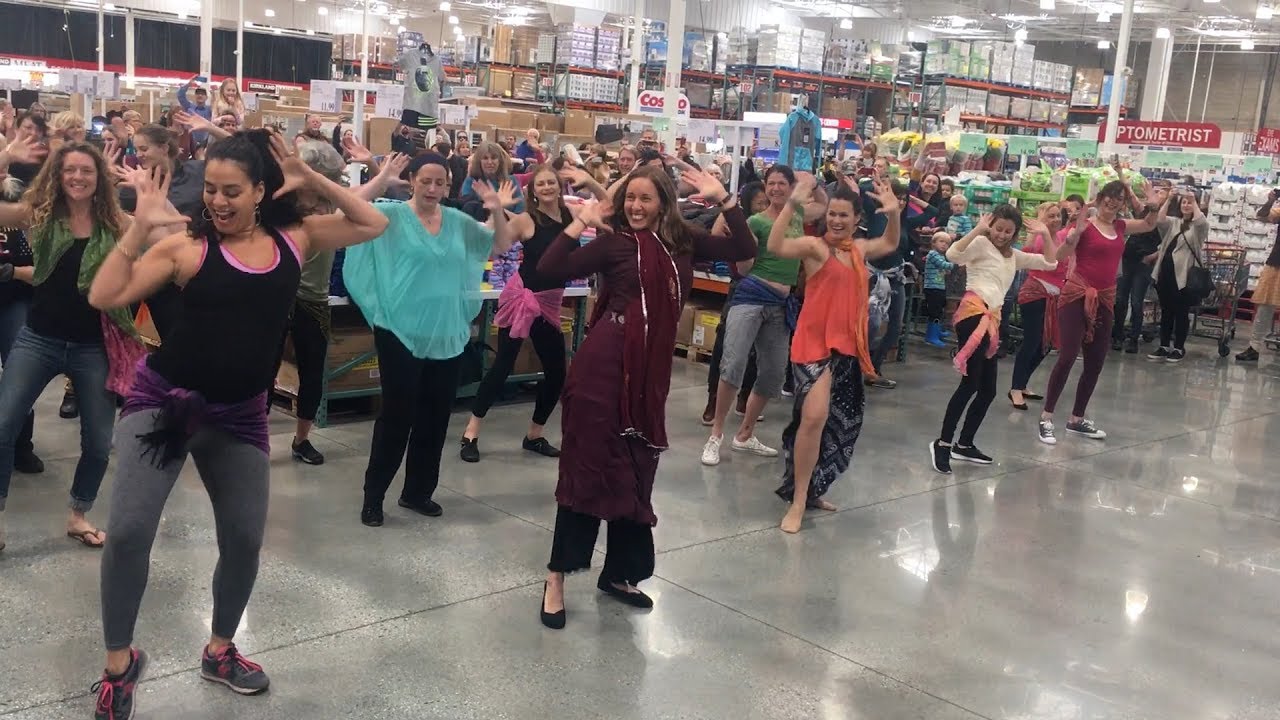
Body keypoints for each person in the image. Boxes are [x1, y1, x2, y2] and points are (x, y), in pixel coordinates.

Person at [86, 129, 388, 718]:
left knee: (246, 538)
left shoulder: (295, 238)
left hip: (241, 413)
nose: (217, 203)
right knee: (127, 532)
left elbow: (372, 223)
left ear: (259, 192)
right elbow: (104, 295)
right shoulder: (188, 249)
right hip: (163, 403)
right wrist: (140, 226)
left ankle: (220, 648)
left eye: (232, 192)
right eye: (212, 192)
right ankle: (119, 664)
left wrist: (311, 174)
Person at [536, 166, 755, 629]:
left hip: (648, 382)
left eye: (646, 199)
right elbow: (549, 270)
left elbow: (743, 249)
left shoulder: (683, 241)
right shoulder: (613, 243)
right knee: (587, 467)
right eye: (630, 198)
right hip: (602, 373)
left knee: (634, 471)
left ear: (664, 203)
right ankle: (557, 575)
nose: (636, 206)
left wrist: (726, 201)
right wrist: (579, 223)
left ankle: (619, 574)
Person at [344, 153, 516, 527]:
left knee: (436, 417)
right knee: (396, 416)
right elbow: (351, 210)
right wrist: (382, 178)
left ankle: (418, 492)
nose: (433, 189)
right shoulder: (390, 214)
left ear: (449, 186)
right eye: (426, 181)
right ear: (413, 181)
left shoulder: (457, 221)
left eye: (440, 183)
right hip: (399, 331)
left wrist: (498, 211)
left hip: (446, 334)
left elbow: (499, 245)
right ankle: (374, 497)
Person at [0, 135, 148, 554]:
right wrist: (6, 157)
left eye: (86, 170)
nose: (78, 177)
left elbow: (162, 231)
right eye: (70, 170)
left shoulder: (116, 221)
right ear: (58, 176)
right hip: (39, 338)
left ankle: (78, 514)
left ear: (99, 177)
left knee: (100, 442)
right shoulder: (41, 213)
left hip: (93, 345)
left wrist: (149, 196)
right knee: (2, 425)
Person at [768, 176, 900, 533]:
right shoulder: (815, 248)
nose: (837, 221)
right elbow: (777, 244)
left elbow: (890, 241)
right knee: (814, 418)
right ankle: (796, 501)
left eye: (844, 215)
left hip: (847, 349)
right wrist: (793, 204)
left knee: (832, 424)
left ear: (857, 218)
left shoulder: (858, 250)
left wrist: (894, 212)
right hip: (813, 346)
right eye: (832, 215)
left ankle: (811, 490)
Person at [461, 163, 585, 462]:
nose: (546, 188)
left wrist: (591, 181)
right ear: (533, 190)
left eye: (551, 183)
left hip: (550, 302)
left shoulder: (573, 216)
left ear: (559, 185)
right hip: (522, 298)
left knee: (557, 373)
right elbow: (495, 245)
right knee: (503, 365)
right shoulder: (527, 220)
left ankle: (535, 434)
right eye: (540, 184)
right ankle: (470, 433)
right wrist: (497, 210)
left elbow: (606, 211)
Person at [701, 164, 819, 466]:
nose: (776, 188)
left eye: (783, 183)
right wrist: (726, 221)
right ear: (764, 188)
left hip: (781, 305)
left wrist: (813, 181)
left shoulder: (798, 217)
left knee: (773, 373)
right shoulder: (755, 220)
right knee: (734, 365)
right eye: (771, 183)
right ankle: (716, 435)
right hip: (751, 297)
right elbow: (726, 243)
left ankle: (745, 434)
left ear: (791, 187)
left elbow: (824, 205)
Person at [930, 206, 1059, 474]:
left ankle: (964, 444)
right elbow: (953, 254)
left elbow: (1051, 263)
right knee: (970, 384)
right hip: (973, 313)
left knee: (987, 390)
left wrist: (1046, 235)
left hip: (993, 320)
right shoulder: (980, 243)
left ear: (1014, 233)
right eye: (998, 229)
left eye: (1008, 231)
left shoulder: (1014, 256)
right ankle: (942, 443)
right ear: (991, 226)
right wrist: (978, 229)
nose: (1001, 235)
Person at [1039, 180, 1159, 445]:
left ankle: (1076, 419)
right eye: (1109, 196)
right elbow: (1060, 256)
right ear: (1101, 197)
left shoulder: (1120, 226)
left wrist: (1152, 204)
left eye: (1119, 198)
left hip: (1105, 299)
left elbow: (1150, 224)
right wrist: (1073, 236)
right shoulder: (1085, 225)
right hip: (1076, 295)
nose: (1113, 202)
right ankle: (1047, 417)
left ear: (1123, 204)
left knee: (1096, 361)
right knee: (1068, 356)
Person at [701, 180, 768, 423]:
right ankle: (713, 399)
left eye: (766, 202)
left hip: (766, 287)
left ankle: (744, 398)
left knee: (756, 349)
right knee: (724, 345)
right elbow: (716, 235)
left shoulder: (775, 220)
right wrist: (729, 208)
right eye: (759, 202)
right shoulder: (739, 223)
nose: (764, 206)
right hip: (740, 288)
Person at [0, 164, 44, 476]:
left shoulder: (20, 208)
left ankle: (20, 444)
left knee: (20, 370)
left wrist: (11, 272)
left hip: (13, 298)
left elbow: (39, 269)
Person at [1009, 200, 1069, 409]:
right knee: (1032, 341)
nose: (1055, 220)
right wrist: (1038, 233)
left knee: (1045, 344)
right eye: (1050, 216)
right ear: (1041, 220)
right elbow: (1031, 254)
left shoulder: (1062, 237)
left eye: (1057, 215)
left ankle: (1022, 383)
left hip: (1055, 295)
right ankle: (1016, 388)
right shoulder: (1039, 240)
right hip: (1035, 293)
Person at [1147, 189, 1208, 362]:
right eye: (1184, 202)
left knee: (1181, 312)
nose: (1186, 205)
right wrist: (1170, 199)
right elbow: (1159, 219)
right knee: (1166, 311)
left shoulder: (1198, 228)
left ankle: (1179, 347)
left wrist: (1193, 200)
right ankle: (1164, 345)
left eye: (1189, 202)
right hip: (1165, 273)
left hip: (1184, 277)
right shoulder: (1174, 222)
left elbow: (1200, 221)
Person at [1113, 184, 1167, 352]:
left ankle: (1134, 338)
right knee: (1120, 300)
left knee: (1137, 301)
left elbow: (1167, 244)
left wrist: (1152, 257)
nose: (1156, 194)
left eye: (1161, 192)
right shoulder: (1142, 211)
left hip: (1144, 263)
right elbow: (1130, 195)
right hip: (1128, 258)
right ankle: (1117, 335)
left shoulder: (1165, 218)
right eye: (1155, 191)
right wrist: (1120, 172)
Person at [1238, 190, 1280, 363]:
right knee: (1265, 306)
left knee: (1266, 307)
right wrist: (1270, 201)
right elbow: (1262, 216)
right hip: (1277, 263)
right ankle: (1254, 347)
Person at [459, 141, 525, 218]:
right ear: (479, 161)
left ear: (500, 161)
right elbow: (468, 210)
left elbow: (520, 211)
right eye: (485, 158)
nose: (490, 162)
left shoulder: (511, 181)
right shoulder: (471, 182)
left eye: (493, 158)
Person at [922, 232, 954, 348]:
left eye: (947, 243)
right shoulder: (932, 254)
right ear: (934, 243)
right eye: (941, 242)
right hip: (932, 288)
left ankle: (937, 330)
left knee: (939, 310)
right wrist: (954, 264)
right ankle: (931, 336)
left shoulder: (941, 256)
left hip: (939, 287)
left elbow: (943, 269)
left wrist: (946, 269)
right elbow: (943, 265)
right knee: (934, 312)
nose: (944, 245)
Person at [177, 76, 213, 146]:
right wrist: (188, 84)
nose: (200, 95)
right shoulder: (189, 107)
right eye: (198, 94)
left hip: (205, 143)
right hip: (190, 142)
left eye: (202, 94)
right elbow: (180, 96)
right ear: (195, 96)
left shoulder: (210, 110)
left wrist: (214, 93)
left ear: (206, 97)